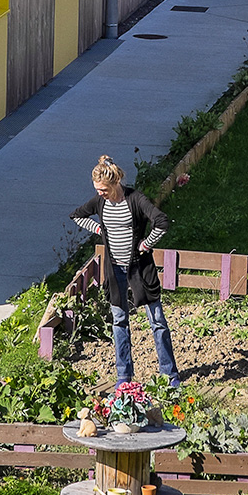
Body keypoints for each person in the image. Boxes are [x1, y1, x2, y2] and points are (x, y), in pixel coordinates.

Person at [71, 156, 181, 387]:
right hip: (115, 270)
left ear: (114, 183)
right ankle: (124, 378)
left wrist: (146, 244)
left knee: (157, 320)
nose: (99, 193)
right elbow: (77, 216)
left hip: (140, 268)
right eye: (97, 190)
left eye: (103, 189)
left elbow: (161, 221)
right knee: (119, 321)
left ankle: (169, 375)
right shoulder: (100, 203)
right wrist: (100, 229)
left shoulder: (136, 199)